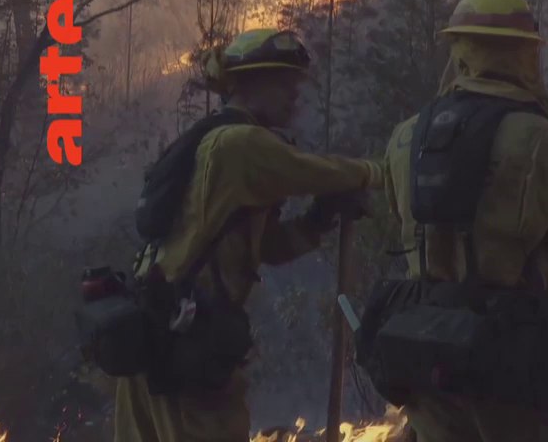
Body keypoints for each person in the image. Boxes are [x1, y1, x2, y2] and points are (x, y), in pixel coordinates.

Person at [113, 28, 384, 442]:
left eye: (295, 81)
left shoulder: (210, 139)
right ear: (243, 84)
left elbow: (267, 249)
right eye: (281, 80)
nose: (294, 93)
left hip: (155, 336)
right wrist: (381, 172)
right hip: (187, 345)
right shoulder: (242, 144)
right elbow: (320, 172)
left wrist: (315, 221)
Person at [381, 0, 548, 442]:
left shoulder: (405, 137)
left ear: (459, 48)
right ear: (526, 54)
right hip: (509, 365)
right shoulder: (543, 139)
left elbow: (399, 217)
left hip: (427, 357)